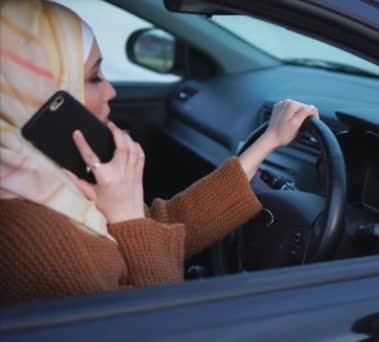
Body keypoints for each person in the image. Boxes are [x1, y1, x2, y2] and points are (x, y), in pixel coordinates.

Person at [0, 0, 319, 306]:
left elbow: (159, 230)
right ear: (36, 92)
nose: (111, 91)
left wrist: (267, 142)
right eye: (94, 77)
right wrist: (127, 215)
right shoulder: (32, 239)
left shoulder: (48, 180)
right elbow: (166, 323)